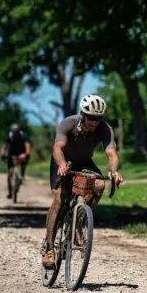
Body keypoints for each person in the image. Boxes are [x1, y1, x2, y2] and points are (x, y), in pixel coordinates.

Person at [42, 94, 123, 268]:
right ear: (83, 113)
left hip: (85, 162)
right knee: (59, 199)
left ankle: (80, 221)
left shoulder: (104, 128)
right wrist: (62, 164)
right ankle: (49, 247)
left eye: (99, 118)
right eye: (91, 118)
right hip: (63, 161)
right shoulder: (68, 123)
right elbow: (57, 148)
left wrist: (114, 171)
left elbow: (111, 153)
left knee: (99, 184)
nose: (95, 122)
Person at [0, 124, 32, 199]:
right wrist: (2, 154)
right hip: (12, 154)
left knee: (23, 162)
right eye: (14, 132)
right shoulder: (9, 137)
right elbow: (4, 146)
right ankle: (10, 192)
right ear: (11, 132)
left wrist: (26, 154)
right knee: (9, 176)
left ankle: (22, 176)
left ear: (19, 131)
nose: (15, 133)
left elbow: (27, 145)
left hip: (21, 153)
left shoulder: (23, 136)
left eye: (16, 132)